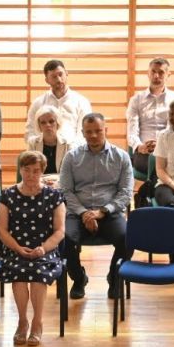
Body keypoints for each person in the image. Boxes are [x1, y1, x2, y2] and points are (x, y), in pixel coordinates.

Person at [60, 113, 134, 300]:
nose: (93, 135)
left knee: (128, 238)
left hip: (109, 212)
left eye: (98, 131)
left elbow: (126, 192)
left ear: (106, 131)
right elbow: (66, 191)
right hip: (78, 213)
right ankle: (78, 279)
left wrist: (102, 211)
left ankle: (114, 277)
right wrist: (85, 213)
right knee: (65, 239)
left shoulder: (121, 157)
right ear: (83, 133)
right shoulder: (71, 157)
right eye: (89, 132)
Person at [0, 150, 66, 346]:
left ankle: (37, 322)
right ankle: (22, 321)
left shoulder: (54, 196)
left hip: (45, 249)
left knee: (37, 275)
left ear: (42, 172)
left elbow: (60, 231)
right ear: (20, 170)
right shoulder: (8, 195)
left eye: (36, 171)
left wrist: (43, 249)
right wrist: (18, 248)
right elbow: (1, 230)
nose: (30, 175)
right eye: (26, 170)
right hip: (15, 248)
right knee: (18, 276)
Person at [126, 56, 174, 180]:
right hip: (143, 152)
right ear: (148, 73)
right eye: (153, 72)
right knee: (153, 161)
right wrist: (140, 146)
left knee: (166, 161)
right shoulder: (136, 100)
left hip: (168, 151)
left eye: (161, 72)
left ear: (168, 75)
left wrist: (161, 144)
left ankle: (149, 192)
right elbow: (132, 131)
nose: (156, 76)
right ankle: (155, 193)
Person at [25, 59, 93, 149]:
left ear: (66, 73)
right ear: (47, 80)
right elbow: (30, 131)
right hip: (43, 152)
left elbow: (85, 131)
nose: (59, 79)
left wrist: (72, 150)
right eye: (54, 76)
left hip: (74, 152)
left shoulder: (82, 102)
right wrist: (38, 146)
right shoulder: (38, 103)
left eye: (61, 74)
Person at [26, 106, 70, 176]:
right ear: (39, 126)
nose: (48, 125)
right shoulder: (33, 143)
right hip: (38, 182)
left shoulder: (67, 144)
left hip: (60, 182)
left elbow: (68, 171)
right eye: (43, 122)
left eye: (51, 121)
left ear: (58, 123)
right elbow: (30, 169)